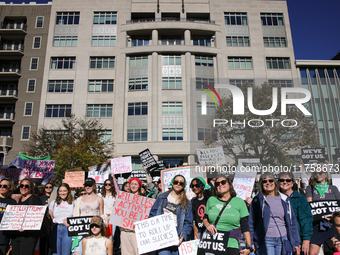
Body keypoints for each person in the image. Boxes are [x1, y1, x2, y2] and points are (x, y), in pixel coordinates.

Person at [249, 173, 300, 255]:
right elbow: (251, 222)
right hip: (266, 239)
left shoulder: (284, 198)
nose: (268, 183)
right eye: (264, 181)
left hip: (283, 238)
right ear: (261, 184)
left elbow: (292, 222)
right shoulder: (257, 200)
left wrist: (296, 242)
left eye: (271, 180)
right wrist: (251, 242)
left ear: (275, 182)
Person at [203, 175, 251, 255]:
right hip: (213, 243)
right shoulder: (211, 200)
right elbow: (205, 217)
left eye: (223, 182)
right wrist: (207, 225)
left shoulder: (239, 202)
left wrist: (248, 247)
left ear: (230, 184)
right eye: (217, 183)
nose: (220, 185)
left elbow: (244, 227)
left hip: (233, 244)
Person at [149, 175, 193, 255]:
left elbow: (188, 222)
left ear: (184, 186)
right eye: (176, 182)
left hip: (177, 234)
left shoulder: (187, 203)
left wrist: (182, 236)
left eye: (181, 183)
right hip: (162, 233)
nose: (178, 184)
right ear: (172, 183)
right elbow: (152, 214)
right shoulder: (162, 197)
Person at [305, 166, 340, 255]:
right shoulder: (310, 188)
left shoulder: (333, 188)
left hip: (332, 224)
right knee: (313, 253)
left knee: (335, 250)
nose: (318, 175)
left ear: (325, 174)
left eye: (320, 173)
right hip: (317, 224)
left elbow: (338, 205)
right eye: (316, 173)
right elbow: (310, 205)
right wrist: (320, 214)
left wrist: (332, 217)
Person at [278, 172, 313, 255]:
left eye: (288, 180)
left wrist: (306, 240)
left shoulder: (299, 198)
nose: (285, 182)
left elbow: (306, 219)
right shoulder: (274, 198)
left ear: (292, 183)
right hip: (278, 239)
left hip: (295, 239)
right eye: (282, 180)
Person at [11, 178, 43, 255]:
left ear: (31, 187)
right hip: (17, 235)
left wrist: (25, 226)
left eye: (26, 186)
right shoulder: (20, 199)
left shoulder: (35, 199)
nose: (23, 187)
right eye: (21, 185)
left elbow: (37, 217)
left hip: (29, 236)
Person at [73, 178, 104, 255]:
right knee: (77, 252)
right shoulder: (79, 199)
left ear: (93, 186)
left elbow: (101, 215)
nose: (88, 187)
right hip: (80, 230)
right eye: (86, 186)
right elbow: (76, 214)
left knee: (92, 251)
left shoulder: (99, 199)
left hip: (93, 230)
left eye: (89, 185)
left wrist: (103, 224)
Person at [49, 183, 75, 255]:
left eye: (64, 191)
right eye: (60, 191)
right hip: (56, 229)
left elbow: (76, 215)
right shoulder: (53, 203)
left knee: (66, 252)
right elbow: (51, 214)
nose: (62, 193)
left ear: (68, 191)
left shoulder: (73, 202)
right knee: (56, 253)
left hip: (67, 229)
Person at [120, 177, 143, 255]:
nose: (133, 186)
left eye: (135, 184)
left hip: (135, 232)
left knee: (137, 252)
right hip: (124, 231)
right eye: (131, 184)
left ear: (139, 186)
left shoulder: (143, 199)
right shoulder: (124, 197)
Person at [0, 178, 17, 255]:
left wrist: (11, 242)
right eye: (0, 185)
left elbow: (13, 221)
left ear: (10, 188)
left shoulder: (12, 202)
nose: (2, 187)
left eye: (5, 186)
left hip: (3, 238)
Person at [40, 182, 54, 255]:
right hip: (43, 223)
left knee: (51, 244)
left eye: (50, 187)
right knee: (43, 243)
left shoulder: (55, 198)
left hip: (52, 222)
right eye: (46, 187)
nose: (48, 188)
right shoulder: (41, 198)